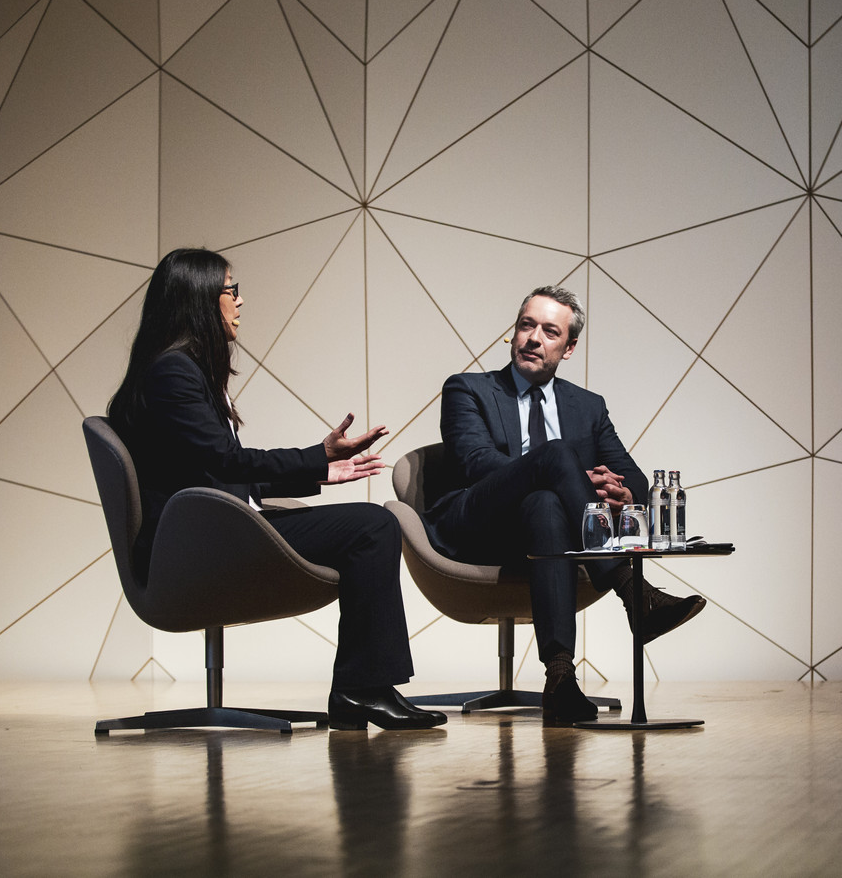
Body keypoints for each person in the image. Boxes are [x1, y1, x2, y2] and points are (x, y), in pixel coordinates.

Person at [107, 248, 444, 730]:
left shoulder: (182, 369)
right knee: (373, 526)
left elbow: (219, 470)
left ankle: (362, 687)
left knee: (371, 527)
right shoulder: (172, 372)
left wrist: (319, 472)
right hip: (198, 545)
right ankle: (360, 689)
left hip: (219, 530)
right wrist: (317, 457)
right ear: (201, 299)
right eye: (231, 290)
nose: (240, 302)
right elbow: (223, 462)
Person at [426, 285, 705, 722]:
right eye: (526, 325)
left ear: (569, 347)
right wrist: (563, 470)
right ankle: (634, 593)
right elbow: (476, 464)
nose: (533, 338)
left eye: (549, 331)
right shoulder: (468, 389)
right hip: (475, 523)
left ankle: (559, 679)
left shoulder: (587, 407)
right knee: (555, 458)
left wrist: (623, 493)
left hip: (545, 532)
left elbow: (631, 474)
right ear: (514, 333)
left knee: (545, 506)